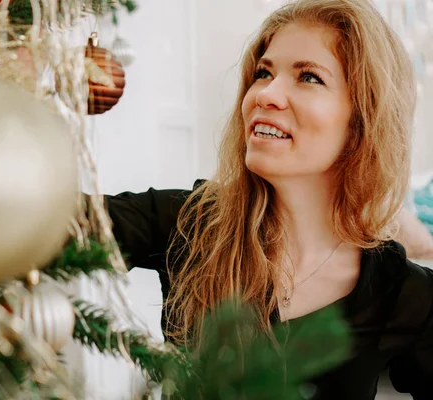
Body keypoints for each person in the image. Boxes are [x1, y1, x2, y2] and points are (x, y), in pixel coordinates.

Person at [103, 0, 433, 399]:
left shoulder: (402, 293)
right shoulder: (189, 224)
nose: (266, 94)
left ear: (362, 119)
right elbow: (39, 221)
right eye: (263, 73)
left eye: (309, 77)